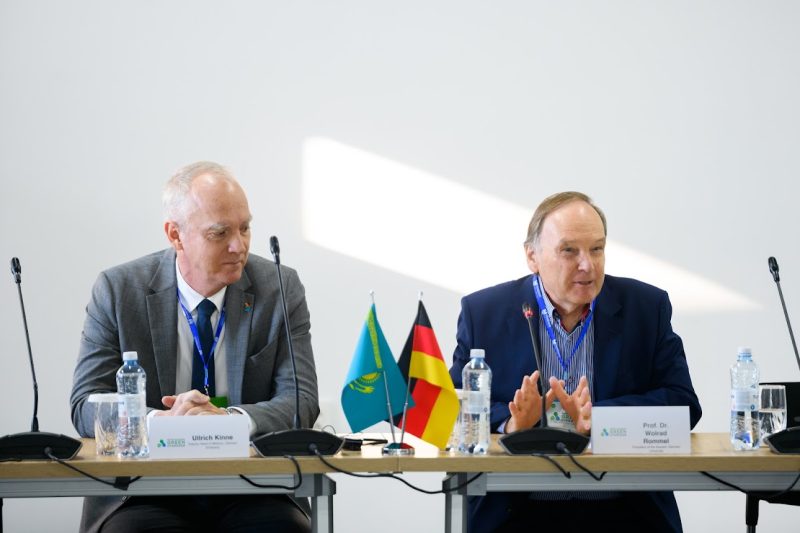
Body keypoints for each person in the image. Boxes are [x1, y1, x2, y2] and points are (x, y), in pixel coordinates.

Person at [70, 161, 319, 533]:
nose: (239, 246)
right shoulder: (119, 290)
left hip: (254, 487)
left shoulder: (279, 287)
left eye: (245, 228)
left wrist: (229, 421)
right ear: (176, 235)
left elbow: (300, 400)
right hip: (143, 490)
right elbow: (86, 403)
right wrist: (160, 423)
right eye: (220, 233)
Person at [449, 191, 702, 533]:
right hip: (515, 512)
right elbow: (451, 406)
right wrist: (510, 424)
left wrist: (599, 418)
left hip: (623, 509)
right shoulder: (484, 313)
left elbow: (683, 404)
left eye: (597, 249)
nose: (588, 265)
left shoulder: (646, 307)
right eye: (569, 251)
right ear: (532, 256)